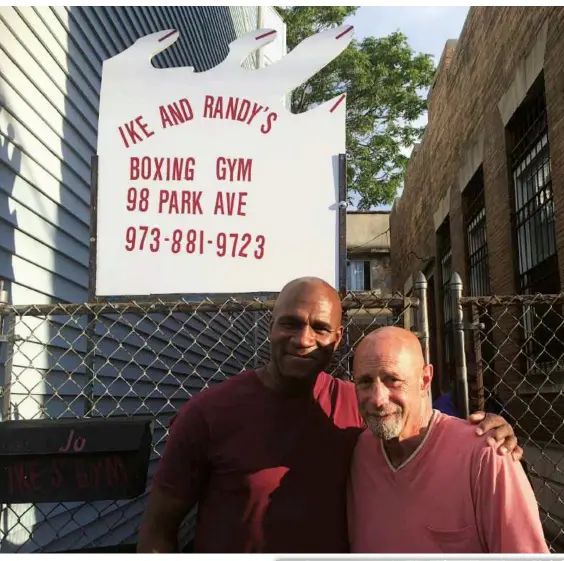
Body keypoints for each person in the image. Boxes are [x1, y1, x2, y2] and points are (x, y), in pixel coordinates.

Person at [138, 277, 523, 553]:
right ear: (271, 327)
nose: (303, 339)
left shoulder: (357, 406)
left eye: (319, 328)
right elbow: (157, 531)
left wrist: (489, 434)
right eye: (290, 323)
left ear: (337, 338)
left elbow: (414, 423)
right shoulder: (208, 413)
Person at [347, 326, 548, 553]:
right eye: (364, 382)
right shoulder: (358, 452)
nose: (377, 399)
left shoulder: (487, 454)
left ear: (425, 380)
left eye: (392, 379)